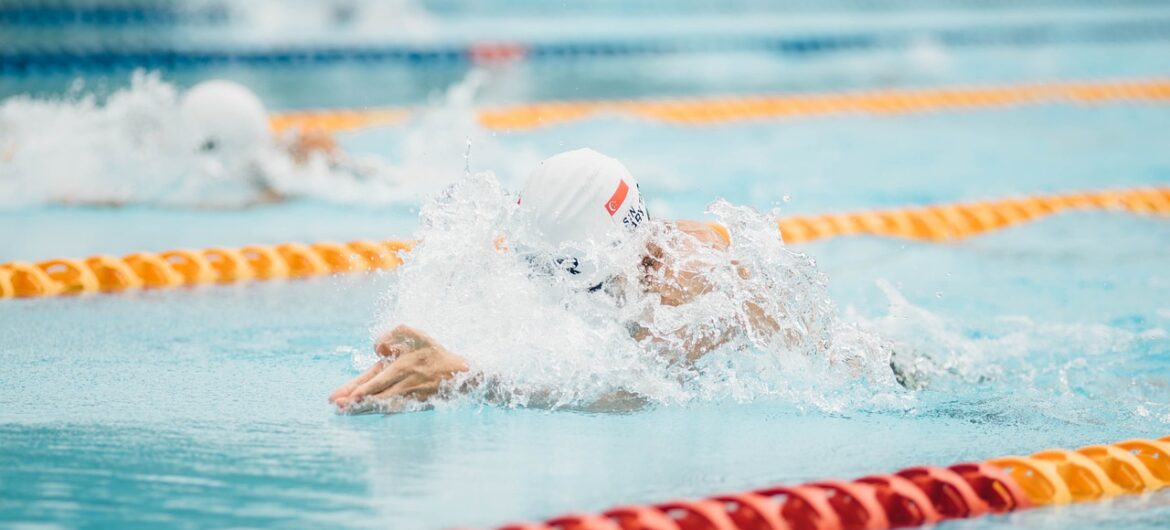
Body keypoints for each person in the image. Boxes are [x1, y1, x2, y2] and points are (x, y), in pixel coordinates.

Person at [328, 148, 785, 413]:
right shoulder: (609, 251)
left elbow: (628, 397)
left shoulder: (688, 278)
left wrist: (469, 378)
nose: (561, 293)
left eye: (579, 282)